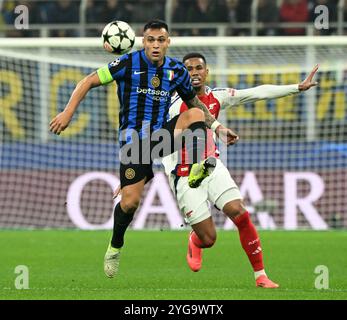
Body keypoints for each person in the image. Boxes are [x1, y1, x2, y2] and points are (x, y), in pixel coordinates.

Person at [49, 20, 238, 278]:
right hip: (134, 144)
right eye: (151, 40)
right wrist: (68, 112)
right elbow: (88, 81)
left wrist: (217, 128)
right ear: (143, 42)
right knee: (130, 203)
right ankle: (115, 246)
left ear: (168, 42)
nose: (156, 45)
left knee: (193, 112)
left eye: (161, 40)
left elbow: (195, 102)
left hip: (160, 138)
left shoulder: (176, 70)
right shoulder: (128, 64)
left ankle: (196, 169)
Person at [161, 52, 319, 288]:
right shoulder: (171, 105)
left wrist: (297, 87)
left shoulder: (217, 97)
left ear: (207, 72)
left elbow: (256, 92)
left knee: (240, 213)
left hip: (212, 166)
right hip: (184, 174)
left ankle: (261, 275)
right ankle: (196, 239)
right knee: (209, 239)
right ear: (181, 74)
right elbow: (160, 142)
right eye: (189, 69)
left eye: (198, 68)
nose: (194, 72)